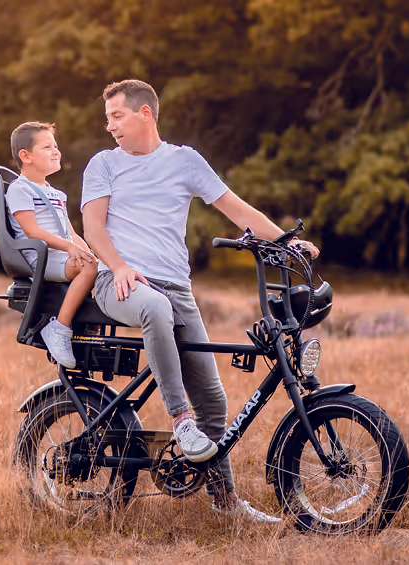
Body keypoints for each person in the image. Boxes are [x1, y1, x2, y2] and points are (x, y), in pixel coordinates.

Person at [80, 80, 320, 522]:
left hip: (176, 289)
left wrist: (288, 242)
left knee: (215, 402)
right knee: (155, 309)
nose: (109, 125)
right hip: (120, 284)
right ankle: (180, 421)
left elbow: (239, 211)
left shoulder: (184, 160)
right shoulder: (103, 165)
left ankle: (225, 503)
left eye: (117, 115)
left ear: (145, 113)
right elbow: (93, 229)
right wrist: (118, 266)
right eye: (108, 117)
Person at [4, 122, 97, 368]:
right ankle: (60, 327)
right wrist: (70, 248)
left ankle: (89, 327)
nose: (56, 151)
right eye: (47, 147)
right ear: (26, 156)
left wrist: (89, 252)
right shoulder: (19, 189)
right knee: (88, 268)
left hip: (60, 253)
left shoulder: (55, 193)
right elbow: (32, 231)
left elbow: (70, 232)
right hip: (42, 257)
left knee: (99, 266)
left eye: (56, 146)